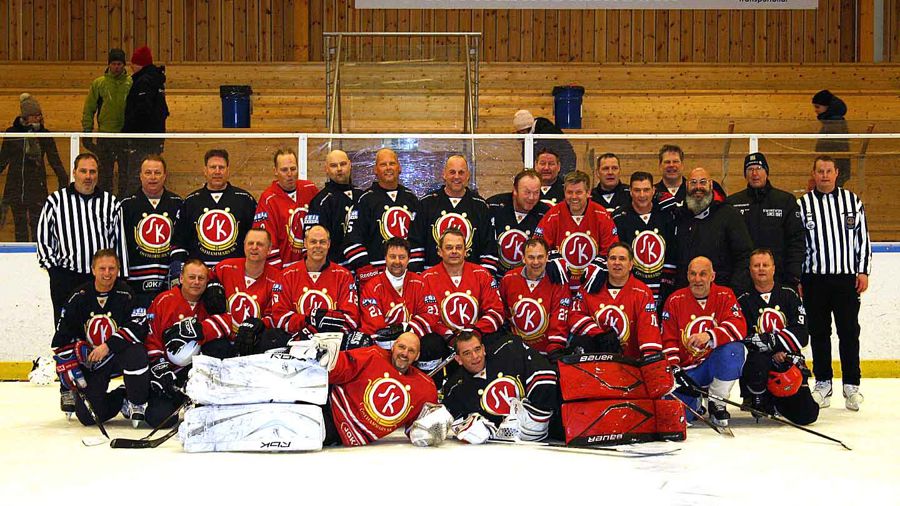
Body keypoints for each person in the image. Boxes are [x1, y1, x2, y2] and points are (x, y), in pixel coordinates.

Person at [798, 155, 871, 411]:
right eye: (820, 171)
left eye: (829, 171)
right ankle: (823, 383)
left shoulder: (852, 201)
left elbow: (863, 239)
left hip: (845, 280)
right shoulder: (803, 204)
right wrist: (798, 278)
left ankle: (851, 385)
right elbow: (798, 244)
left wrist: (863, 271)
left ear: (837, 173)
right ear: (814, 174)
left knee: (849, 332)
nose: (825, 175)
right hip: (814, 279)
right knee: (819, 332)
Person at [51, 250, 149, 425]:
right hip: (93, 361)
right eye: (102, 268)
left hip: (118, 356)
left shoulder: (127, 294)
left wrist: (108, 345)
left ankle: (136, 400)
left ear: (118, 270)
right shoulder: (78, 296)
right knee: (88, 416)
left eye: (112, 268)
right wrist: (68, 360)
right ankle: (122, 396)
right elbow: (63, 335)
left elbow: (138, 327)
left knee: (137, 352)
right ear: (93, 269)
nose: (107, 273)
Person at [143, 259, 234, 427]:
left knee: (221, 346)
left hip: (197, 372)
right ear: (181, 278)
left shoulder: (211, 300)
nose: (196, 282)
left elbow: (228, 323)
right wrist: (161, 368)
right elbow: (151, 337)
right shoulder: (163, 300)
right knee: (159, 419)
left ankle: (202, 396)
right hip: (169, 372)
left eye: (201, 278)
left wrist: (198, 329)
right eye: (192, 277)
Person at [37, 153, 126, 323]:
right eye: (83, 171)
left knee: (100, 325)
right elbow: (44, 240)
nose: (88, 176)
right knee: (66, 329)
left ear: (97, 174)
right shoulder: (55, 201)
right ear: (74, 172)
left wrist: (119, 277)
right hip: (66, 278)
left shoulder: (111, 203)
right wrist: (55, 273)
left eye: (92, 172)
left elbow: (118, 244)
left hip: (101, 279)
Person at [662, 256, 747, 427]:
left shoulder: (725, 295)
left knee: (735, 350)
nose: (697, 279)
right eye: (693, 274)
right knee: (674, 415)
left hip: (714, 364)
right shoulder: (674, 300)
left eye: (703, 274)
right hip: (688, 372)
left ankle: (716, 401)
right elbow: (668, 340)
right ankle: (696, 401)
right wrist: (675, 370)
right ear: (687, 276)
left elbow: (739, 327)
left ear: (712, 276)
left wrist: (710, 335)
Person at [737, 249, 818, 425]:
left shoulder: (790, 294)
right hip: (760, 365)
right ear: (750, 270)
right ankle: (757, 396)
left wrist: (774, 344)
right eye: (756, 265)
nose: (761, 269)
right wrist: (773, 350)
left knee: (808, 415)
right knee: (757, 362)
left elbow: (802, 334)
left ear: (773, 268)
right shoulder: (743, 300)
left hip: (787, 363)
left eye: (765, 265)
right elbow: (744, 338)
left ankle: (778, 402)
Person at [442, 331, 559, 443]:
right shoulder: (454, 389)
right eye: (467, 353)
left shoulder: (509, 350)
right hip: (500, 448)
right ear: (458, 359)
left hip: (549, 433)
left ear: (483, 349)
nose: (475, 356)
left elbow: (546, 374)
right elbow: (453, 423)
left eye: (477, 349)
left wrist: (537, 416)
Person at [324, 332, 439, 446]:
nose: (405, 353)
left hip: (339, 434)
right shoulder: (373, 356)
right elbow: (340, 366)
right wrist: (326, 357)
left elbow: (420, 430)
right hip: (328, 409)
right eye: (401, 347)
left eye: (411, 351)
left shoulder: (425, 388)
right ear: (393, 347)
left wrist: (435, 426)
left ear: (417, 356)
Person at [421, 228, 505, 377]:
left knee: (502, 342)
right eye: (449, 247)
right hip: (445, 339)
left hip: (478, 335)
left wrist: (475, 332)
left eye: (458, 247)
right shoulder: (426, 278)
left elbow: (496, 312)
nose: (454, 251)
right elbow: (426, 315)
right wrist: (449, 336)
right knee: (429, 344)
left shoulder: (482, 274)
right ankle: (434, 385)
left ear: (466, 251)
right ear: (439, 251)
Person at [569, 242, 662, 359]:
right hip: (594, 362)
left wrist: (649, 362)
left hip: (630, 363)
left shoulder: (643, 292)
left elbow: (649, 333)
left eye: (622, 259)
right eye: (613, 258)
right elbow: (574, 316)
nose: (617, 262)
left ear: (631, 264)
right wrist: (599, 335)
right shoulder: (589, 288)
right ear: (607, 263)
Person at [170, 149, 257, 273]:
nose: (217, 171)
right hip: (199, 276)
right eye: (212, 167)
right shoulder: (191, 202)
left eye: (221, 167)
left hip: (236, 273)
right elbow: (179, 241)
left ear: (228, 170)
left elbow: (257, 237)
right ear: (205, 170)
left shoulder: (245, 200)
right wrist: (178, 270)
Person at [726, 153, 805, 289]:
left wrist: (793, 274)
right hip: (743, 279)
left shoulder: (785, 201)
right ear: (745, 174)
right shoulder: (732, 203)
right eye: (750, 169)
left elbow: (796, 239)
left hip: (780, 278)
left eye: (759, 168)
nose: (755, 173)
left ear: (766, 172)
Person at [343, 148, 420, 283]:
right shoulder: (365, 200)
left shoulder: (411, 199)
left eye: (392, 163)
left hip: (407, 275)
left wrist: (414, 268)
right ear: (375, 169)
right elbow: (352, 240)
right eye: (383, 164)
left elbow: (418, 239)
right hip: (376, 276)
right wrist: (366, 270)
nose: (388, 168)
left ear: (399, 167)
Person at [410, 155, 496, 273]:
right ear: (444, 174)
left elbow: (489, 248)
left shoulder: (480, 206)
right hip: (432, 276)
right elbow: (415, 244)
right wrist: (418, 276)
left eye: (461, 172)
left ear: (468, 176)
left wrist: (484, 278)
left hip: (470, 278)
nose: (456, 177)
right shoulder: (426, 204)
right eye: (452, 172)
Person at [269, 225, 359, 338]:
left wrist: (319, 330)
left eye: (322, 242)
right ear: (305, 244)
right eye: (313, 242)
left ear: (329, 244)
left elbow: (351, 320)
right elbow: (279, 317)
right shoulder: (286, 276)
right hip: (296, 342)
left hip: (333, 342)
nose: (318, 246)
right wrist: (308, 320)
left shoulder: (344, 276)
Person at [672, 167, 753, 293]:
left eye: (703, 182)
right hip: (686, 296)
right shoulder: (679, 217)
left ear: (710, 185)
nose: (698, 187)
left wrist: (733, 291)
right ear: (686, 186)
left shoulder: (729, 215)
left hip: (721, 295)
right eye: (693, 182)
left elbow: (744, 256)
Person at [0, 93, 67, 241]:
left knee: (38, 227)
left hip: (37, 187)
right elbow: (3, 159)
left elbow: (54, 160)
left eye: (39, 115)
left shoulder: (44, 135)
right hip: (15, 188)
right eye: (34, 115)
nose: (38, 118)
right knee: (20, 228)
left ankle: (38, 252)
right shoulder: (12, 133)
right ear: (26, 117)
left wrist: (63, 180)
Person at [118, 154, 183, 308]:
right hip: (135, 283)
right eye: (148, 173)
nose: (153, 177)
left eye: (157, 172)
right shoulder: (126, 205)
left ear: (165, 175)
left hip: (168, 282)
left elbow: (182, 241)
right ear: (140, 176)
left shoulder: (178, 204)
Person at [534, 170, 619, 282]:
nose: (574, 197)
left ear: (588, 193)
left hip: (592, 283)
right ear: (564, 192)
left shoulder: (602, 215)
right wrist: (552, 257)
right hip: (560, 283)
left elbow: (613, 248)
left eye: (578, 192)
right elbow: (537, 245)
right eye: (570, 192)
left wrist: (599, 265)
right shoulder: (552, 215)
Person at [612, 171, 676, 305]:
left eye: (646, 190)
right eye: (637, 190)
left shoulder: (666, 214)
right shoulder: (619, 217)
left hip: (663, 287)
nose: (642, 195)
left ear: (653, 190)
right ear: (630, 191)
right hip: (631, 289)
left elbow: (672, 251)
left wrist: (667, 283)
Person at [499, 237, 571, 355]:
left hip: (546, 352)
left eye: (540, 257)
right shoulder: (509, 279)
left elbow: (559, 318)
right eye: (531, 257)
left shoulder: (558, 282)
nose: (536, 262)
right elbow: (502, 309)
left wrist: (555, 348)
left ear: (547, 257)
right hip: (516, 350)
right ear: (523, 258)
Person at [358, 237, 440, 339]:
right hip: (383, 344)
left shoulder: (421, 283)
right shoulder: (372, 287)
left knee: (433, 342)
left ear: (409, 259)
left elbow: (431, 314)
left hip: (415, 341)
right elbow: (373, 325)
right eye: (392, 257)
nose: (397, 261)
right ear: (385, 258)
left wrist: (407, 328)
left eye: (402, 257)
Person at [210, 228, 285, 334]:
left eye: (260, 244)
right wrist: (210, 285)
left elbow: (276, 314)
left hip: (255, 338)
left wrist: (261, 325)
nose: (254, 247)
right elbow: (203, 279)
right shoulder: (224, 267)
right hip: (221, 335)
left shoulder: (278, 279)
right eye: (250, 243)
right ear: (244, 245)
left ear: (269, 249)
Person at [254, 147, 319, 268]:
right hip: (284, 268)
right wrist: (277, 273)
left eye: (293, 169)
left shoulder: (310, 189)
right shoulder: (268, 199)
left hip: (312, 267)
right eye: (284, 170)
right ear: (275, 171)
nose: (290, 174)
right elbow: (266, 240)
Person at [81, 48, 131, 193]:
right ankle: (104, 199)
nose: (116, 67)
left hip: (125, 135)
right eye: (113, 64)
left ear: (124, 65)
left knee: (125, 173)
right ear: (109, 64)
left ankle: (123, 200)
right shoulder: (99, 83)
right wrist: (87, 130)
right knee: (104, 174)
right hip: (105, 135)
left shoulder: (130, 83)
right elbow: (89, 108)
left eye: (119, 64)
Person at [122, 45, 168, 196]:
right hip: (154, 137)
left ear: (139, 64)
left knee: (137, 175)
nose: (131, 66)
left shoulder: (143, 81)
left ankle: (134, 202)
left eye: (133, 63)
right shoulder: (157, 80)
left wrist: (127, 132)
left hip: (141, 139)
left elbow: (142, 111)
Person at [487, 169, 550, 277]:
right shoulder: (493, 206)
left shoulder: (545, 214)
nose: (531, 197)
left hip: (527, 280)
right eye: (527, 192)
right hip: (495, 277)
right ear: (515, 190)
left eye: (536, 193)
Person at [305, 149, 362, 265]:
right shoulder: (320, 202)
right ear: (326, 169)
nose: (339, 169)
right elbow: (314, 241)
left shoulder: (362, 196)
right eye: (334, 165)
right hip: (335, 267)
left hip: (363, 266)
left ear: (350, 165)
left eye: (343, 164)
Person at [654, 144, 726, 212]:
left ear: (682, 165)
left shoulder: (702, 189)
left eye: (675, 161)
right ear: (660, 166)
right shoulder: (653, 193)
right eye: (667, 162)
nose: (671, 165)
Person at [513, 109, 577, 175]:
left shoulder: (547, 133)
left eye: (522, 131)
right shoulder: (532, 135)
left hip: (563, 167)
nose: (521, 134)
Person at [812, 90, 850, 187]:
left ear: (827, 107)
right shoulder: (833, 122)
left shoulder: (834, 123)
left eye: (817, 107)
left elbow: (834, 146)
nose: (815, 110)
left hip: (833, 165)